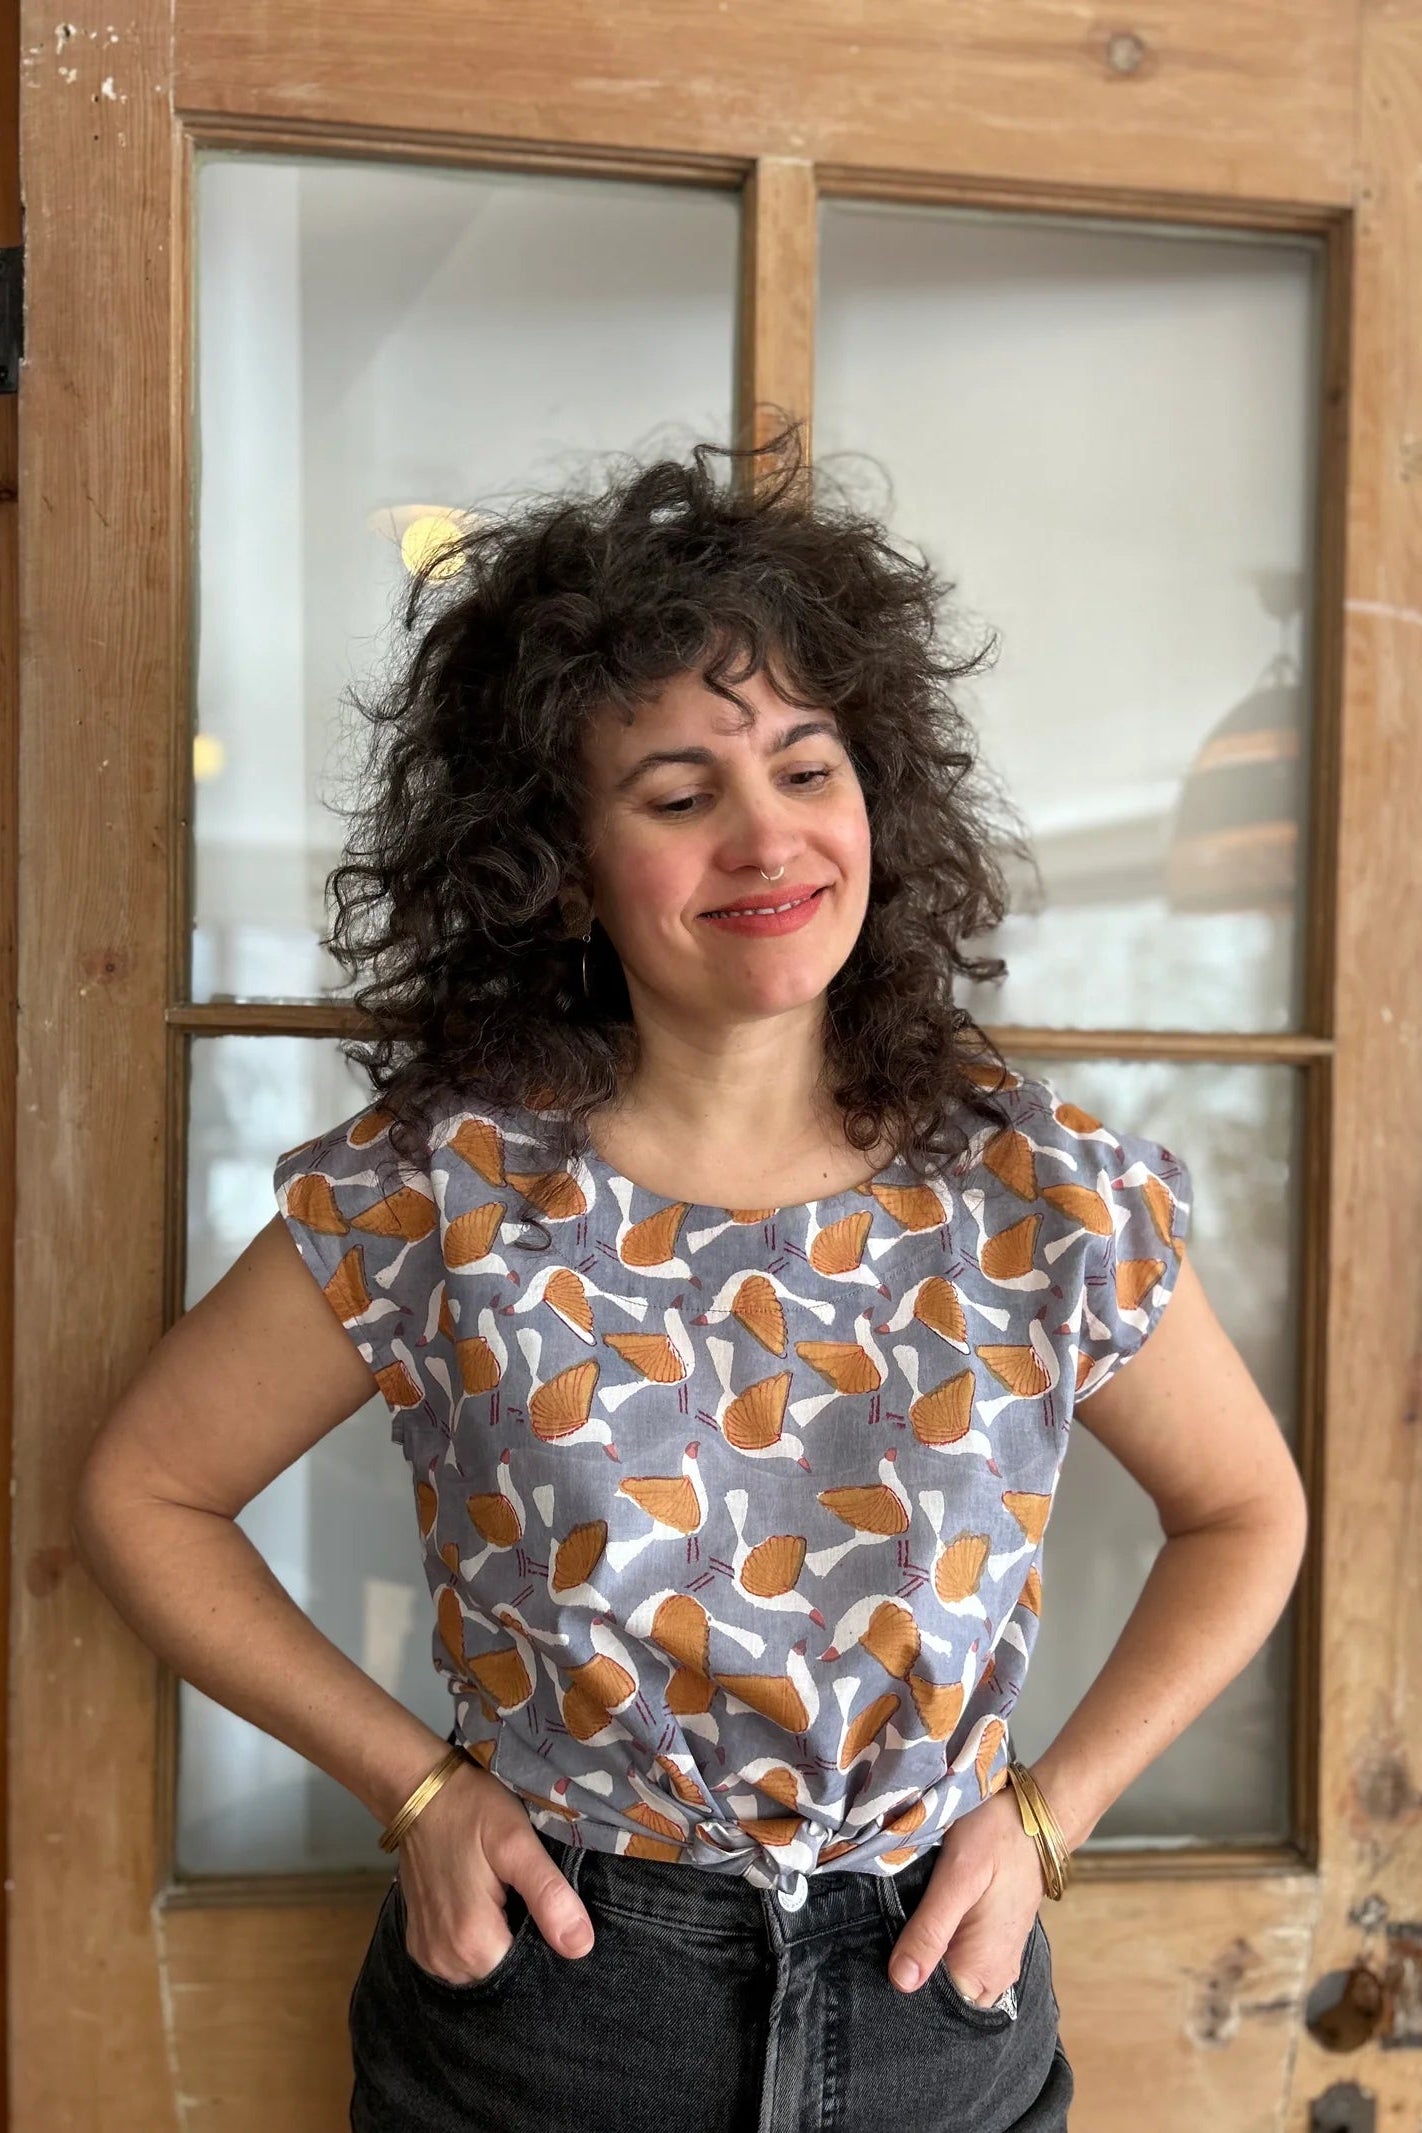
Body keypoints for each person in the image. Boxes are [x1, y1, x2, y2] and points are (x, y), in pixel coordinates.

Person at [72, 422, 1309, 2133]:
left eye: (808, 767)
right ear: (562, 861)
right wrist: (415, 1789)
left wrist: (1046, 1816)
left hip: (934, 2003)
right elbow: (146, 1489)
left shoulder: (1035, 1191)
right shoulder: (445, 1192)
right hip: (558, 2004)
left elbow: (1249, 1512)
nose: (768, 836)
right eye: (679, 794)